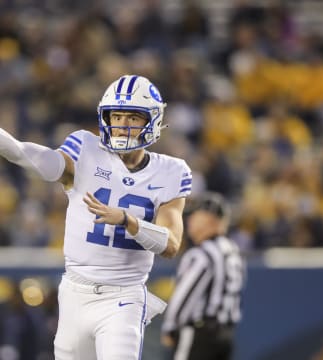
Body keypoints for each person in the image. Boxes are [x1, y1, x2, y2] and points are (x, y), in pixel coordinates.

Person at [0, 74, 192, 360]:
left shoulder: (172, 171)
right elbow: (37, 160)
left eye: (133, 118)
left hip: (124, 296)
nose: (122, 125)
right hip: (75, 292)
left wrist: (129, 221)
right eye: (117, 116)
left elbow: (171, 244)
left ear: (151, 121)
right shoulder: (85, 148)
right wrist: (9, 145)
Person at [161, 192, 245, 360]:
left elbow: (184, 295)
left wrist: (170, 327)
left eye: (195, 215)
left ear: (209, 219)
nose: (189, 220)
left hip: (198, 333)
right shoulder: (233, 251)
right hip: (226, 333)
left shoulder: (202, 254)